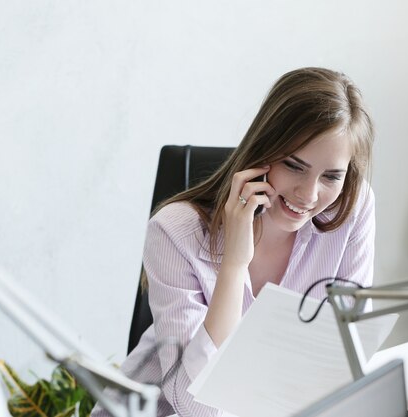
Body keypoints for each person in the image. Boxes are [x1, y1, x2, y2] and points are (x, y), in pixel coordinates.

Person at [91, 67, 376, 417]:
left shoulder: (350, 208)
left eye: (331, 176)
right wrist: (234, 264)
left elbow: (345, 352)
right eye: (294, 165)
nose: (309, 194)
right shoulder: (174, 231)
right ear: (264, 149)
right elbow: (192, 404)